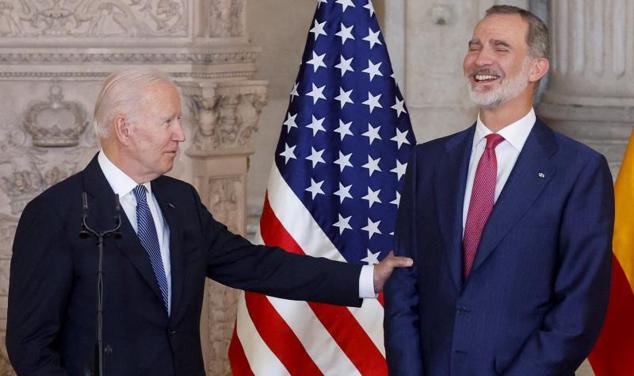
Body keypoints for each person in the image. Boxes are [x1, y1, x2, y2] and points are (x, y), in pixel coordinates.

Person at [6, 69, 412, 375]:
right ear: (125, 129)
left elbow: (257, 264)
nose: (181, 134)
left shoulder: (178, 200)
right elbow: (29, 345)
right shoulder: (54, 214)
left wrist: (366, 278)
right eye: (169, 121)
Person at [384, 5, 614, 376]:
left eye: (500, 47)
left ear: (536, 68)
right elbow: (404, 283)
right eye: (474, 46)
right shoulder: (428, 162)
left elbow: (577, 311)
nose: (481, 59)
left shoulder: (579, 171)